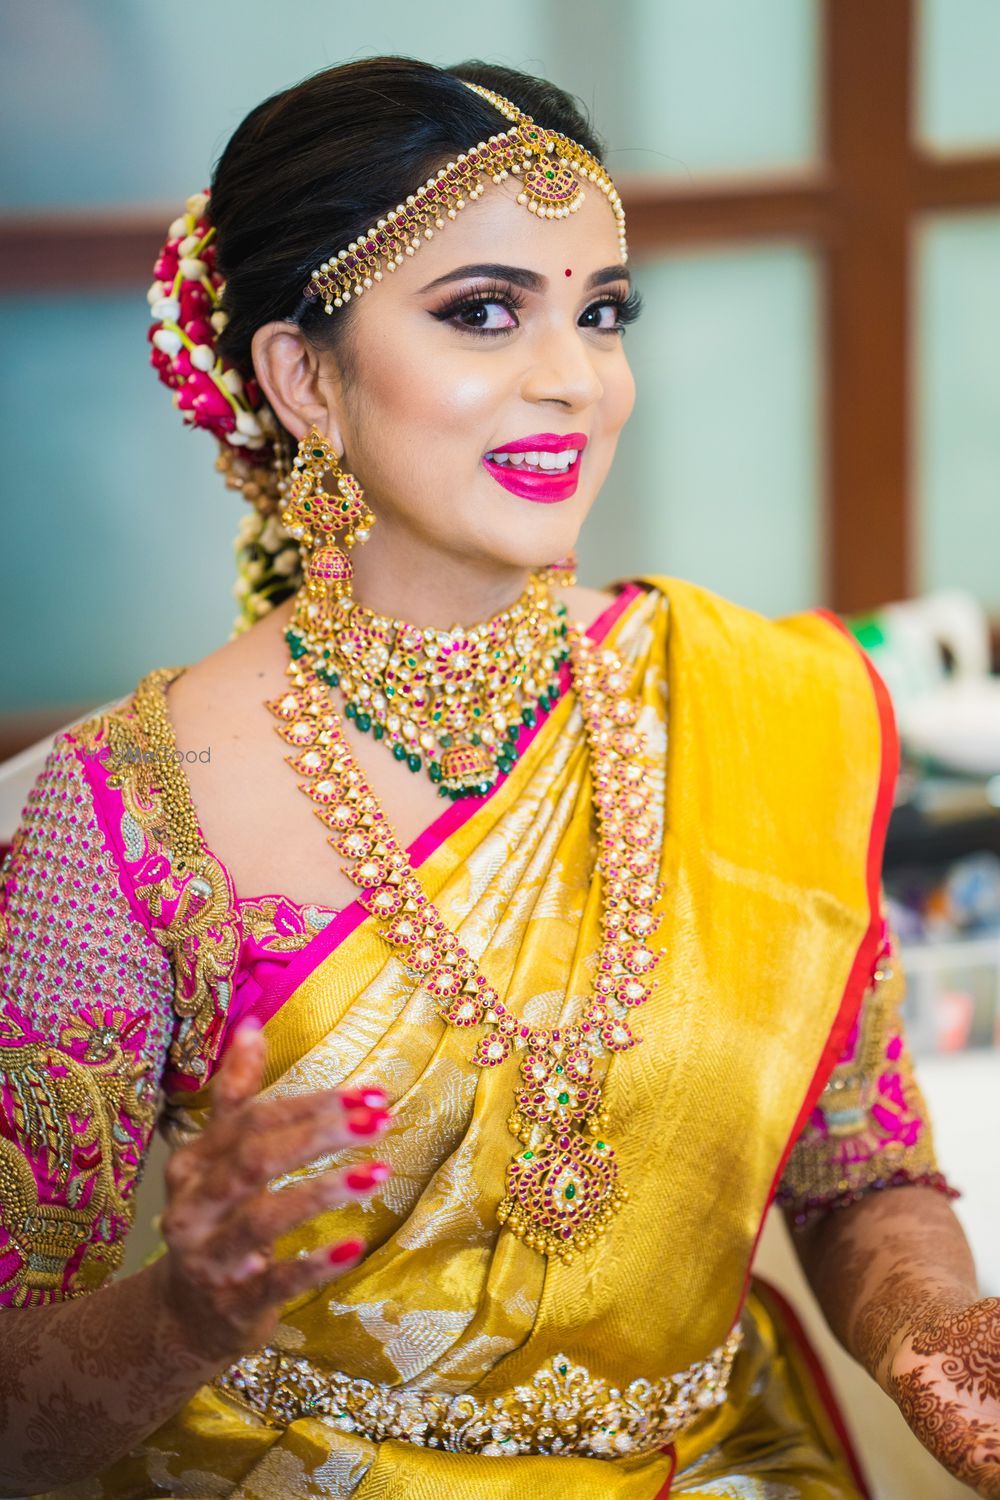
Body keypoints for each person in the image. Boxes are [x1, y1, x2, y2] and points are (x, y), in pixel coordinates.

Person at [0, 55, 996, 1500]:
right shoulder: (123, 815)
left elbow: (861, 1170)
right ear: (303, 378)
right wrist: (186, 1312)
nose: (573, 378)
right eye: (483, 312)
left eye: (601, 312)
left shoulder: (763, 707)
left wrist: (936, 1337)